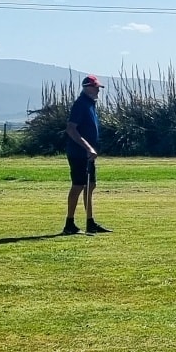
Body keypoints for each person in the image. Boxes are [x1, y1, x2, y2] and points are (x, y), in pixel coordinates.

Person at [62, 74, 108, 235]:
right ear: (88, 88)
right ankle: (69, 224)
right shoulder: (80, 104)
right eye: (96, 87)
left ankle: (90, 222)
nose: (98, 90)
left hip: (88, 154)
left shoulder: (90, 104)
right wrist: (88, 147)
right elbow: (71, 129)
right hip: (78, 153)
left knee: (90, 185)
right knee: (78, 186)